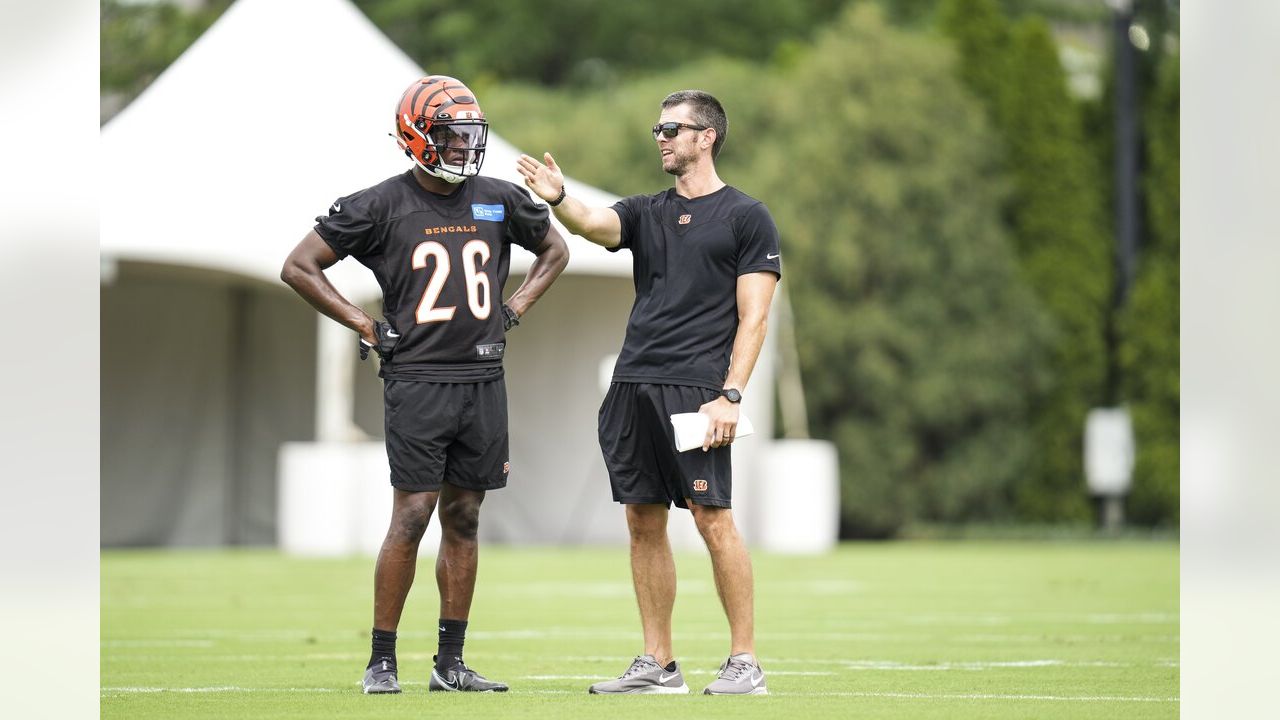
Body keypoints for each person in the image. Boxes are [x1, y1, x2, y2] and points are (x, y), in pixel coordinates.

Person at [282, 75, 569, 695]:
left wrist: (514, 307)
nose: (465, 146)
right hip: (417, 379)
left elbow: (556, 249)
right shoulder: (380, 203)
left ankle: (450, 663)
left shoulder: (497, 197)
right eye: (450, 133)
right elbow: (298, 265)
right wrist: (363, 321)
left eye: (469, 133)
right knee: (412, 515)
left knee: (464, 517)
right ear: (416, 136)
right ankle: (381, 659)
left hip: (483, 378)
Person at [516, 90, 780, 696]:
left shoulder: (747, 217)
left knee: (714, 519)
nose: (660, 138)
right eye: (657, 129)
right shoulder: (645, 211)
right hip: (633, 384)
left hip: (698, 390)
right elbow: (595, 225)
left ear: (706, 136)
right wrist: (559, 198)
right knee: (642, 520)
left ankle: (745, 662)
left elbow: (755, 318)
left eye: (672, 128)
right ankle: (658, 665)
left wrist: (730, 394)